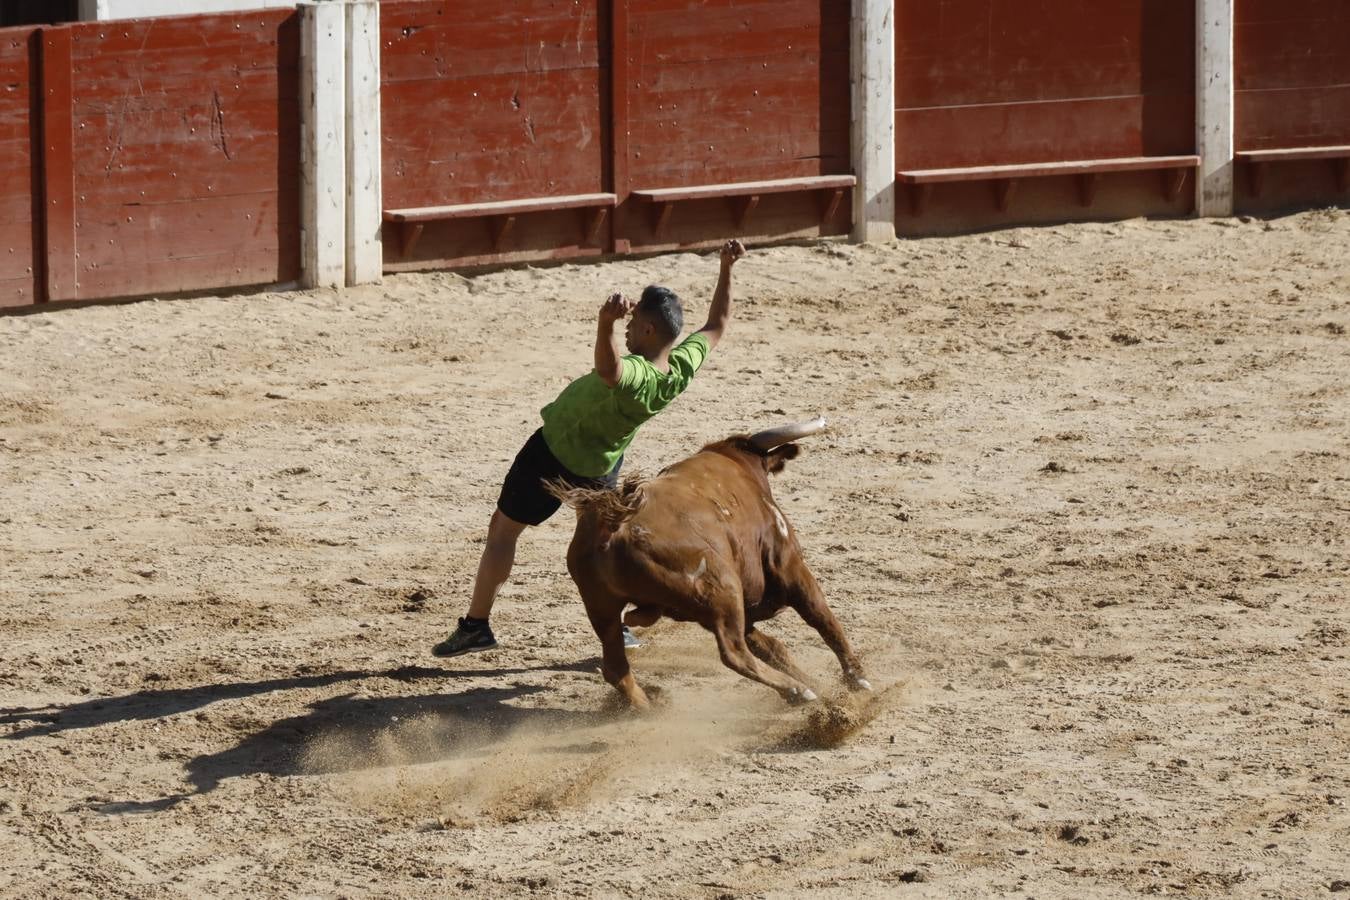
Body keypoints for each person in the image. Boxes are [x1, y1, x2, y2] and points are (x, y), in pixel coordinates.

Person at [432, 239, 748, 658]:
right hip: (602, 467)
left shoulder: (637, 371)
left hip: (552, 455)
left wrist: (605, 323)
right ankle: (629, 621)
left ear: (649, 331)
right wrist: (727, 267)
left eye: (635, 322)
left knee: (504, 532)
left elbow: (609, 370)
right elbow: (717, 324)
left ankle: (476, 625)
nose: (630, 326)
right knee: (603, 553)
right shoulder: (680, 365)